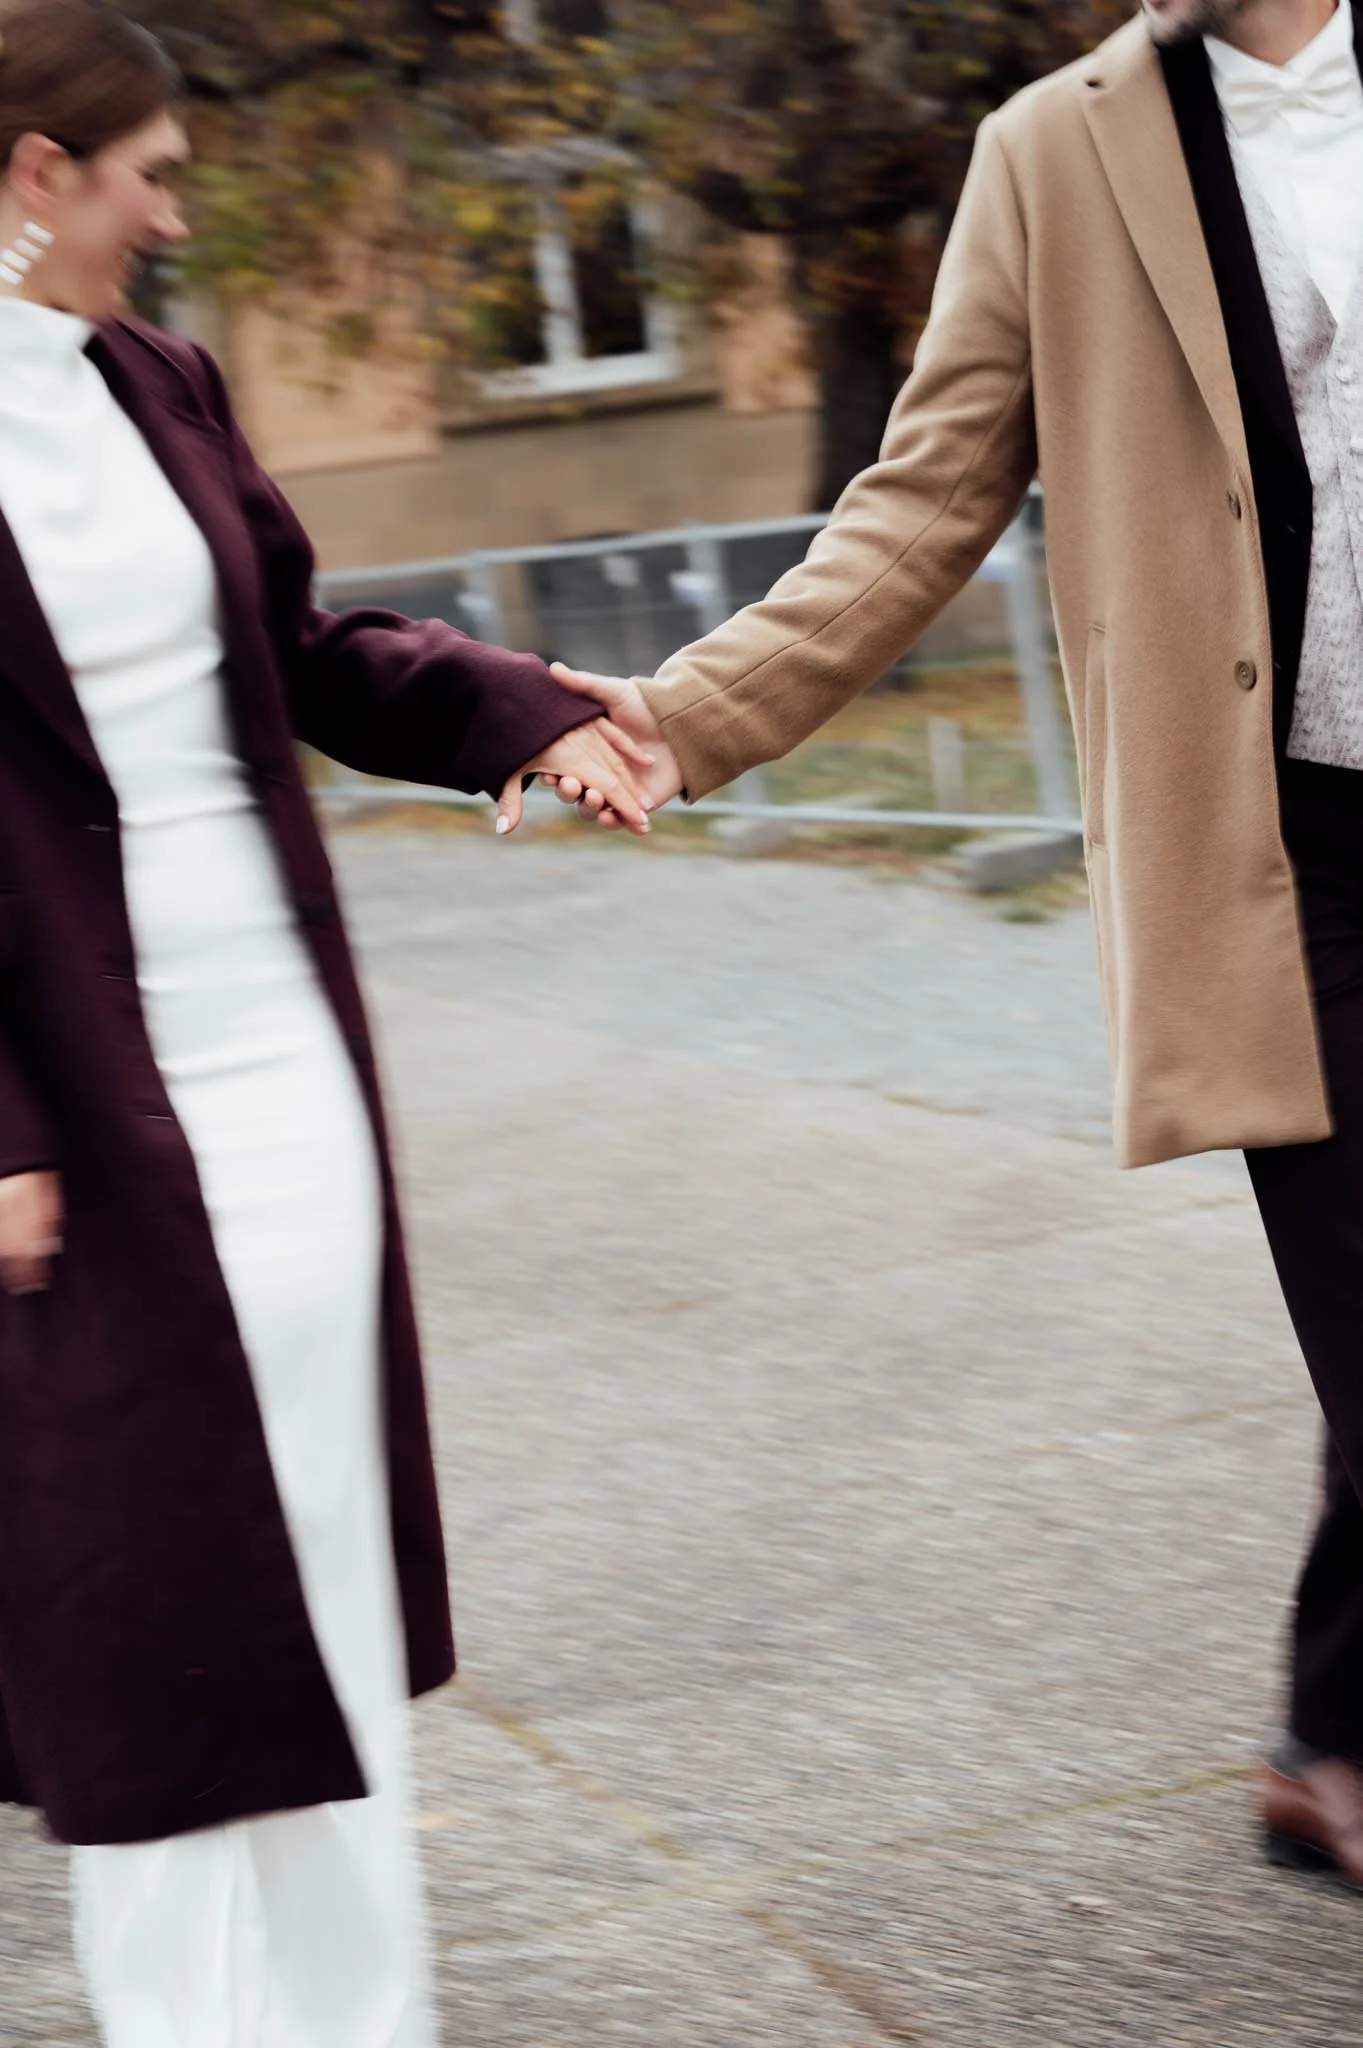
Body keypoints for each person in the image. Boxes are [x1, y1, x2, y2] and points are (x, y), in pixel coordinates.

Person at [545, 0, 1363, 1892]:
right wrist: (691, 711)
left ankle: (1329, 1729)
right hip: (1284, 849)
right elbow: (922, 498)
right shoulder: (1060, 150)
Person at [0, 1, 654, 2041]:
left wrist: (523, 714)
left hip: (276, 1059)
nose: (175, 220)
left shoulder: (160, 381)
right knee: (141, 1608)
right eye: (152, 178)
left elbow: (294, 649)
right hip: (66, 1093)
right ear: (37, 170)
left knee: (321, 1556)